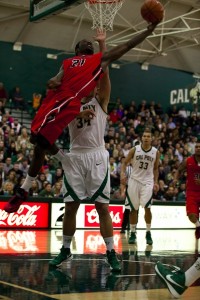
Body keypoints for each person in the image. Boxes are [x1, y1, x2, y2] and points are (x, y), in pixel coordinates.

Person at [4, 21, 158, 214]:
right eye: (83, 43)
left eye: (90, 44)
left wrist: (148, 30)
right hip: (57, 98)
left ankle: (27, 187)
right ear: (76, 50)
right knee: (38, 142)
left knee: (41, 140)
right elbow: (57, 78)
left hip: (71, 102)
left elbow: (125, 47)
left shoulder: (96, 62)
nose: (87, 42)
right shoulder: (67, 63)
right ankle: (26, 188)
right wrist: (53, 81)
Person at [49, 30, 121, 272]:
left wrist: (102, 43)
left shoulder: (101, 99)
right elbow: (56, 101)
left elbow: (106, 69)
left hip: (97, 156)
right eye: (85, 49)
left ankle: (111, 252)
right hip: (75, 156)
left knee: (102, 207)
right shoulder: (69, 100)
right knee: (71, 207)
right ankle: (65, 250)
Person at [120, 128, 160, 245]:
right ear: (141, 138)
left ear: (151, 139)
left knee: (147, 208)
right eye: (144, 136)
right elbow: (124, 162)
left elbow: (156, 168)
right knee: (133, 209)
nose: (146, 138)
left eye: (148, 136)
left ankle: (148, 232)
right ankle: (133, 233)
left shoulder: (155, 152)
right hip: (134, 181)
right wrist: (123, 173)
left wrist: (156, 181)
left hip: (147, 182)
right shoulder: (135, 149)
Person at [173, 141, 200, 239]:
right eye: (196, 147)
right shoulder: (188, 161)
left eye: (199, 147)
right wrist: (175, 179)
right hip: (192, 192)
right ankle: (198, 226)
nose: (198, 148)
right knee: (191, 215)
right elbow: (179, 170)